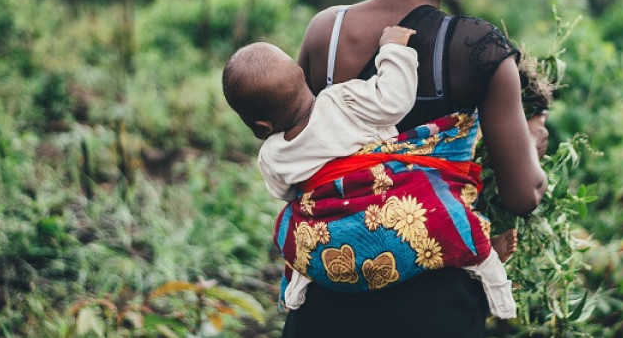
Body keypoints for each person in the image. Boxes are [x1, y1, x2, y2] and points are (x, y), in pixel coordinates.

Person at [284, 0, 548, 337]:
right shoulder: (478, 48)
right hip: (434, 309)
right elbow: (522, 195)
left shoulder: (327, 30)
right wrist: (531, 137)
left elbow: (300, 153)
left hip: (327, 295)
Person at [221, 25, 517, 319]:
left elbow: (286, 193)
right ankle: (489, 270)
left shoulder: (272, 155)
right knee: (444, 214)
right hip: (388, 208)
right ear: (301, 75)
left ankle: (298, 282)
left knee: (290, 225)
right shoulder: (341, 100)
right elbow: (394, 100)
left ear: (261, 127)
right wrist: (393, 48)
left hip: (333, 242)